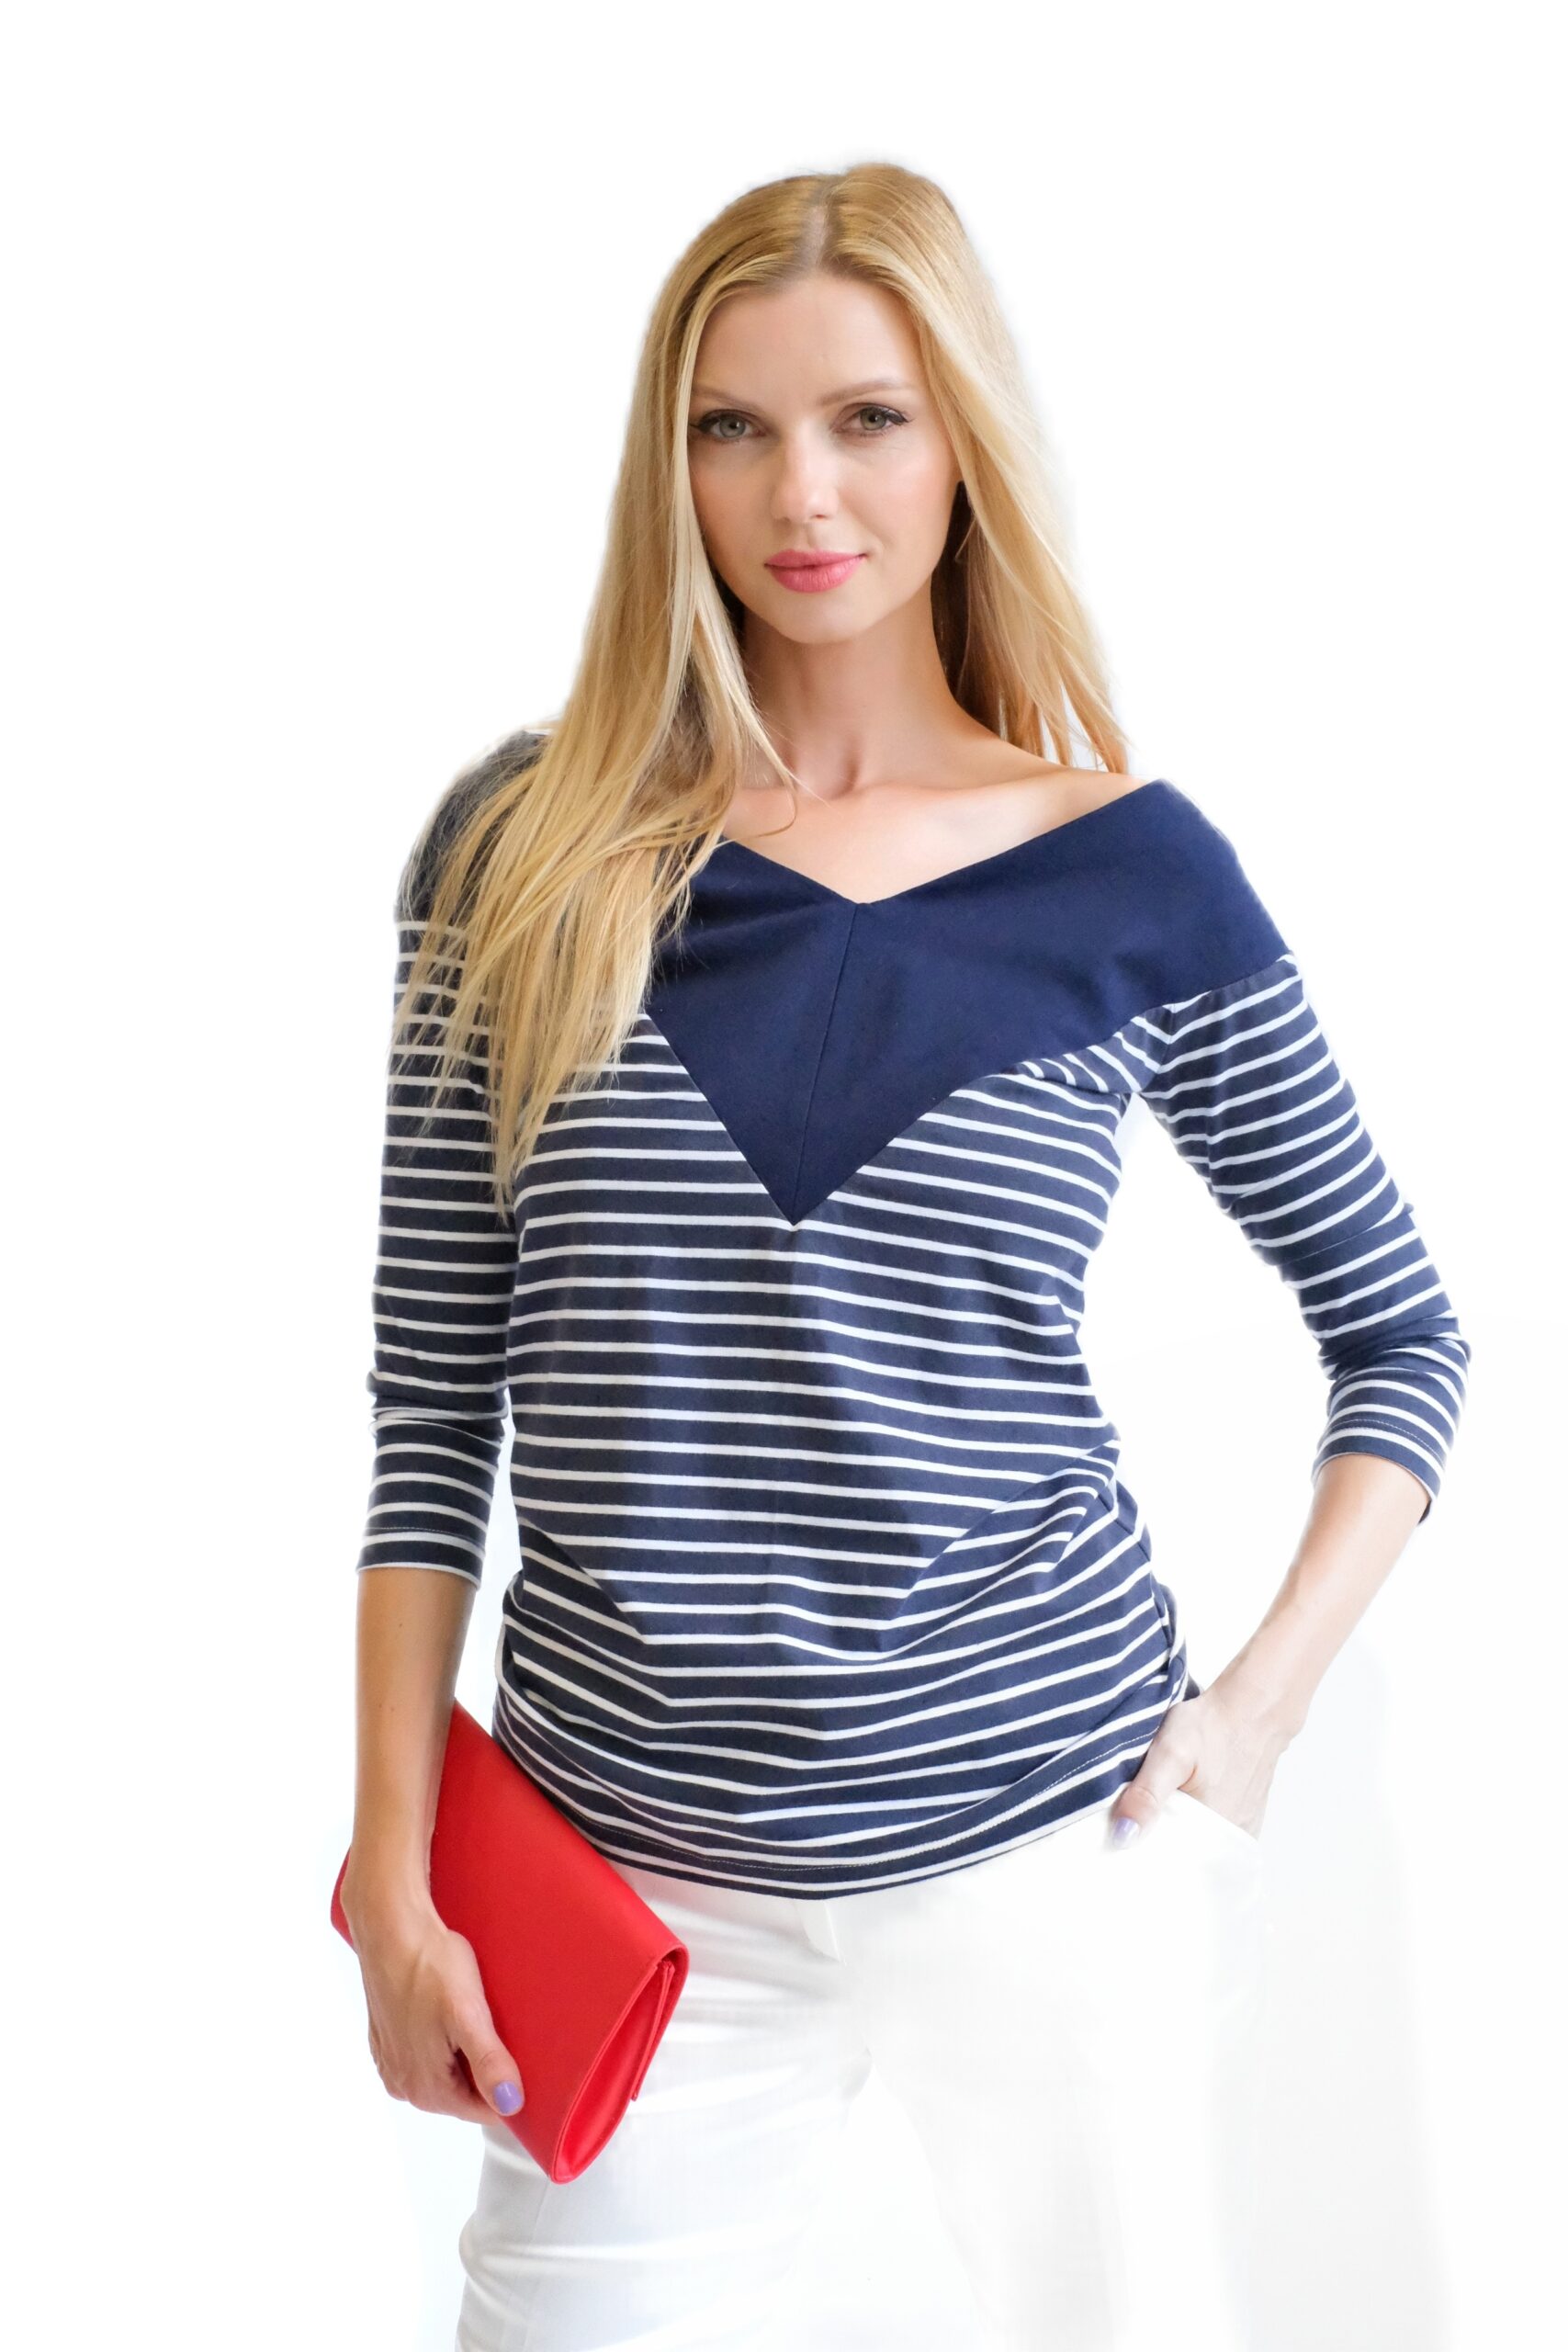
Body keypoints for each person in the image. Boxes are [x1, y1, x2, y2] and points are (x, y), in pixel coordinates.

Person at [339, 163, 1472, 2352]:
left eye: (865, 418)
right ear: (666, 462)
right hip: (621, 1865)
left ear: (962, 441)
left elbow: (1397, 1330)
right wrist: (390, 1859)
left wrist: (1252, 1713)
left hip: (1047, 1842)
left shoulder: (1124, 876)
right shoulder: (520, 849)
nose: (801, 492)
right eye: (731, 425)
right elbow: (430, 1396)